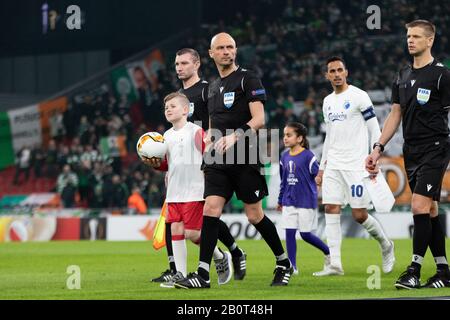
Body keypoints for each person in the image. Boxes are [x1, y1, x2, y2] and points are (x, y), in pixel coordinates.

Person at [174, 33, 293, 289]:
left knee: (254, 215)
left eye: (230, 47)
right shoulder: (214, 87)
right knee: (210, 209)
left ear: (235, 51)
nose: (226, 51)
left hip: (245, 155)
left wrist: (236, 137)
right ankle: (202, 274)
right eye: (221, 48)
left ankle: (283, 262)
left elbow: (259, 119)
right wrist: (206, 144)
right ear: (211, 53)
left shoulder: (247, 79)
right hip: (217, 158)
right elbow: (210, 124)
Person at [151, 49, 247, 284]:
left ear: (197, 64)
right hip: (181, 163)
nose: (179, 67)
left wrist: (211, 152)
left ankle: (232, 251)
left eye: (184, 63)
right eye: (176, 63)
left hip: (203, 158)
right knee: (177, 222)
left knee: (206, 217)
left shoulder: (208, 89)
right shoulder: (178, 97)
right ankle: (178, 270)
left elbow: (216, 119)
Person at [366, 20, 450, 289]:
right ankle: (443, 270)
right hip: (410, 150)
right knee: (431, 209)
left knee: (418, 205)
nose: (410, 40)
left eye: (416, 36)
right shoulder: (401, 75)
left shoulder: (441, 75)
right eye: (408, 36)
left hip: (436, 147)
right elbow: (395, 114)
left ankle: (413, 269)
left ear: (430, 41)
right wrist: (378, 147)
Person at [314, 56, 395, 276]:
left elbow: (373, 128)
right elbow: (329, 136)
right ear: (327, 75)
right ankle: (335, 264)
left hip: (355, 165)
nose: (337, 74)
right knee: (330, 208)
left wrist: (375, 154)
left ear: (346, 72)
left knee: (359, 215)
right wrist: (322, 167)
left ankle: (386, 245)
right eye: (332, 71)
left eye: (340, 70)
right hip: (333, 165)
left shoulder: (359, 96)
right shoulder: (327, 101)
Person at [145, 92, 233, 288]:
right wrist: (155, 163)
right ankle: (181, 274)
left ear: (186, 110)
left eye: (173, 106)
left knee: (193, 234)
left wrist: (210, 178)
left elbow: (209, 155)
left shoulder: (195, 131)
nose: (168, 109)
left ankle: (220, 256)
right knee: (176, 230)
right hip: (174, 192)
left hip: (195, 189)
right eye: (166, 107)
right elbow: (166, 164)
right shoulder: (165, 136)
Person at [277, 122, 330, 275]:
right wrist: (280, 200)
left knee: (305, 235)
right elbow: (284, 181)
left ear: (299, 138)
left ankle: (328, 252)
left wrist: (317, 189)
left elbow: (318, 177)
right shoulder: (284, 157)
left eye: (289, 135)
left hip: (306, 201)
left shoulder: (309, 156)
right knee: (289, 232)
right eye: (284, 135)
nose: (285, 138)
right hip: (289, 200)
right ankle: (292, 267)